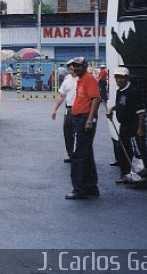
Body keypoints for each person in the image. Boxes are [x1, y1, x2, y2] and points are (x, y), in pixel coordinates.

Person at [106, 67, 147, 184]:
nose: (118, 80)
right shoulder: (120, 90)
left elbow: (141, 111)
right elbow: (122, 105)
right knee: (122, 150)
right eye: (116, 77)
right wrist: (111, 109)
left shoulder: (133, 91)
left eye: (121, 77)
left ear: (126, 78)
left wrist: (140, 128)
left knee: (140, 150)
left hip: (134, 125)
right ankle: (125, 174)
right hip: (124, 125)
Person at [65, 56, 101, 200]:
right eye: (74, 66)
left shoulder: (88, 79)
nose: (75, 68)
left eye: (78, 66)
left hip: (84, 119)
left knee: (77, 154)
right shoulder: (80, 79)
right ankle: (91, 186)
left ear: (85, 66)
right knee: (86, 154)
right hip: (79, 118)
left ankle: (79, 189)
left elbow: (96, 99)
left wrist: (90, 120)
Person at [51, 60, 77, 163]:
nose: (73, 71)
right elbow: (61, 96)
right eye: (71, 69)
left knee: (80, 134)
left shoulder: (84, 79)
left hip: (82, 110)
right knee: (68, 132)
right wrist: (54, 110)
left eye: (75, 68)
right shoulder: (67, 80)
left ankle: (79, 155)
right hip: (69, 109)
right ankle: (70, 154)